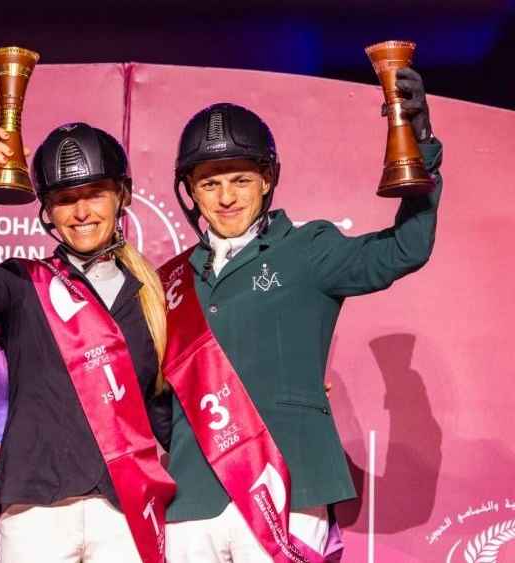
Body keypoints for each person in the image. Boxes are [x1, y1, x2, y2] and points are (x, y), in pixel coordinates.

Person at [156, 68, 441, 562]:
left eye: (241, 180)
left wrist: (419, 147)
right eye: (210, 183)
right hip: (192, 497)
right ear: (190, 191)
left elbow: (405, 248)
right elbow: (157, 399)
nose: (226, 197)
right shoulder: (168, 281)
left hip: (288, 487)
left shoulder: (309, 248)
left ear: (267, 180)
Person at [0, 124, 175, 563]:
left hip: (124, 509)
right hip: (38, 510)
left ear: (122, 196)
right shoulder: (24, 284)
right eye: (65, 199)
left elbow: (160, 410)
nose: (81, 211)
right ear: (47, 211)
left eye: (95, 194)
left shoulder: (150, 296)